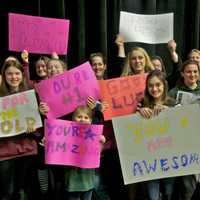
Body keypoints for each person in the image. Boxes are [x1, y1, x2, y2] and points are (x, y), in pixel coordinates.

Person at [0, 59, 37, 200]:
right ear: (4, 75)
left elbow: (39, 124)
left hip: (26, 149)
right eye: (9, 74)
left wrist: (34, 128)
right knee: (7, 193)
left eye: (17, 73)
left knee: (21, 191)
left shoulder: (30, 94)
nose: (14, 77)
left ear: (22, 75)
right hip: (5, 152)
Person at [139, 70, 175, 200]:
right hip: (150, 163)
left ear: (164, 85)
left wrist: (171, 113)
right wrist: (139, 112)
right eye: (150, 85)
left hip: (171, 161)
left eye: (158, 85)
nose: (154, 89)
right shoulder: (141, 104)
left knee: (169, 193)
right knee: (153, 197)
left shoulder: (173, 103)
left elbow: (183, 129)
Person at [168, 60, 200, 200]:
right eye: (188, 71)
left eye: (195, 71)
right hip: (185, 146)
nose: (192, 74)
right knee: (189, 187)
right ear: (182, 74)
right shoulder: (174, 92)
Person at [64, 105, 106, 200]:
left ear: (91, 121)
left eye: (86, 117)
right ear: (73, 119)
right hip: (73, 180)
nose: (82, 119)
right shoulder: (66, 134)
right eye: (79, 117)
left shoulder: (94, 135)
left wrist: (101, 141)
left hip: (88, 179)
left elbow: (98, 153)